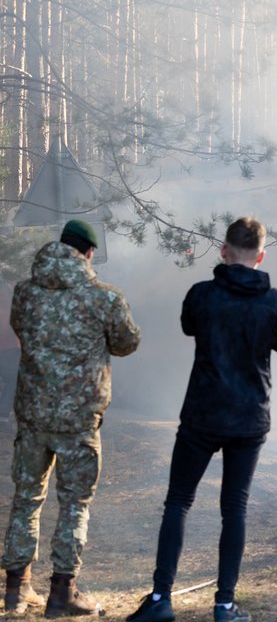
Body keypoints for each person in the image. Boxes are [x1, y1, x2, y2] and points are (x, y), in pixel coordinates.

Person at [127, 217, 277, 622]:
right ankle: (224, 605)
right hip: (249, 418)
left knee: (179, 502)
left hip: (203, 413)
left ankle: (161, 599)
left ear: (223, 250)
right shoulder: (276, 301)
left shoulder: (201, 295)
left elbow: (188, 327)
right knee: (234, 508)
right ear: (261, 255)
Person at [1, 219, 140, 616]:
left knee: (27, 498)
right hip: (79, 419)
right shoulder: (104, 299)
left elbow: (21, 329)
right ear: (90, 253)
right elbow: (128, 342)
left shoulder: (25, 294)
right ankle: (62, 593)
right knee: (75, 503)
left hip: (32, 415)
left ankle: (16, 589)